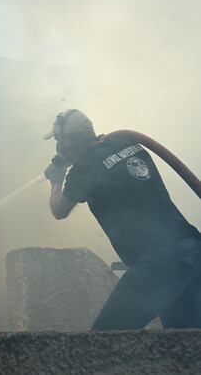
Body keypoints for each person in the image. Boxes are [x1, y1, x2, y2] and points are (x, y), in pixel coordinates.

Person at [43, 109, 201, 330]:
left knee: (105, 338)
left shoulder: (85, 168)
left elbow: (59, 210)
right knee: (186, 343)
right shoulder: (128, 145)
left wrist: (56, 180)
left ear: (69, 138)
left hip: (160, 260)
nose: (57, 146)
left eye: (58, 139)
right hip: (192, 250)